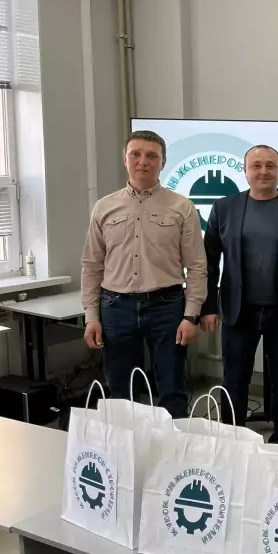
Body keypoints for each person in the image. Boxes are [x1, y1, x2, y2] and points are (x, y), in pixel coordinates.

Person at [81, 130, 206, 418]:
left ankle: (173, 443)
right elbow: (91, 265)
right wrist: (91, 316)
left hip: (167, 307)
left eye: (152, 156)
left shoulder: (182, 207)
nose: (143, 161)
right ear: (125, 159)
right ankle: (127, 444)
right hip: (115, 307)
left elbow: (197, 266)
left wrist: (191, 316)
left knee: (172, 386)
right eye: (135, 154)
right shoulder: (104, 207)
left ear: (163, 162)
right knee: (120, 389)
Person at [201, 145, 278, 443]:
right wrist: (208, 307)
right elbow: (209, 262)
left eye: (270, 165)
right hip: (238, 310)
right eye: (256, 166)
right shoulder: (224, 207)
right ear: (245, 171)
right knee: (234, 379)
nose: (263, 171)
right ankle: (234, 439)